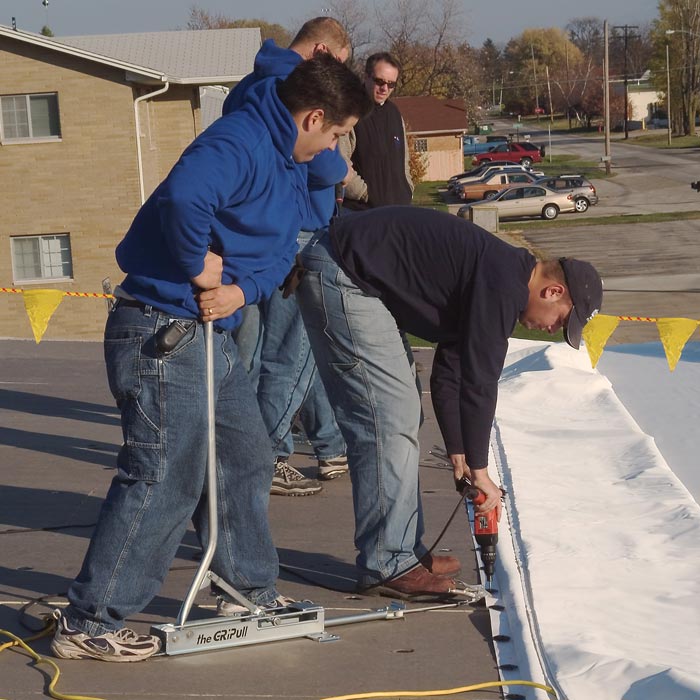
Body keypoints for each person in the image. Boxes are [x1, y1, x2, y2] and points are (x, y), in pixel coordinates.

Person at [50, 54, 371, 662]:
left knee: (244, 453)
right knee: (166, 472)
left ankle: (244, 588)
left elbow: (285, 249)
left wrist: (239, 292)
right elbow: (184, 201)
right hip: (159, 328)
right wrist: (198, 267)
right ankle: (90, 619)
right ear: (313, 116)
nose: (336, 149)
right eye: (334, 133)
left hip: (208, 331)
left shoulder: (297, 161)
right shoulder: (241, 141)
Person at [296, 206, 603, 599]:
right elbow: (479, 382)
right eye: (562, 321)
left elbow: (449, 372)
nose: (553, 329)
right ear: (553, 291)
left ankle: (403, 550)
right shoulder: (503, 284)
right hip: (342, 272)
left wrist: (458, 450)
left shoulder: (502, 274)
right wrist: (480, 469)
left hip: (348, 269)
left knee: (404, 412)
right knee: (388, 419)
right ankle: (389, 562)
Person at [224, 17, 353, 495]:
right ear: (321, 49)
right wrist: (339, 165)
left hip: (254, 231)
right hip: (294, 231)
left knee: (250, 354)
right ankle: (268, 454)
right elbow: (318, 160)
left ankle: (244, 452)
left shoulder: (248, 84)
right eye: (338, 65)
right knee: (291, 353)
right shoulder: (290, 86)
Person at [341, 52, 413, 210]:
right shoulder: (350, 110)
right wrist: (365, 194)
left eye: (391, 84)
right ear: (366, 76)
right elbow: (340, 160)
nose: (384, 88)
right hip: (362, 213)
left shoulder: (394, 113)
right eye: (379, 81)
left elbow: (404, 160)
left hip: (399, 211)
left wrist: (407, 189)